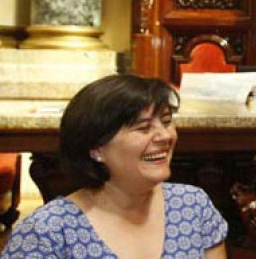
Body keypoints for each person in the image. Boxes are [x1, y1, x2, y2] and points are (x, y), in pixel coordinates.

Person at [0, 75, 228, 258]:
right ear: (97, 148)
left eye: (167, 122)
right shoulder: (47, 232)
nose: (165, 136)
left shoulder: (193, 205)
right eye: (143, 127)